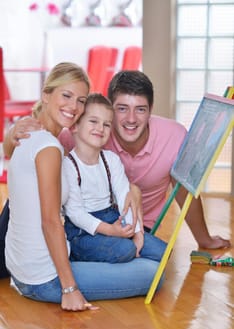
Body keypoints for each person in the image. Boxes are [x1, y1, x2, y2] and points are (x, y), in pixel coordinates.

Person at [3, 71, 230, 249]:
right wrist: (13, 133)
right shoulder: (90, 133)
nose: (131, 119)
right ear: (110, 110)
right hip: (86, 225)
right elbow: (34, 152)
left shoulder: (174, 136)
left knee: (155, 257)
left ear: (150, 110)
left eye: (140, 109)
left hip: (134, 225)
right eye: (122, 109)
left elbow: (185, 189)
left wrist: (204, 239)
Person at [4, 63, 164, 312]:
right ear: (46, 94)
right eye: (66, 96)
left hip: (23, 267)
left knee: (154, 255)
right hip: (43, 278)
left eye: (80, 100)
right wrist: (70, 290)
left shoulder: (29, 136)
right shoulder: (49, 148)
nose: (73, 107)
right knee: (154, 273)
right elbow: (50, 222)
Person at [63, 92, 167, 263]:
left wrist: (138, 232)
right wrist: (112, 231)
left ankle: (126, 260)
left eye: (106, 124)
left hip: (112, 218)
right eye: (93, 121)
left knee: (162, 251)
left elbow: (125, 197)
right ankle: (81, 256)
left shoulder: (111, 159)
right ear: (75, 126)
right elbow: (76, 214)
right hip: (82, 231)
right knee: (125, 249)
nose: (100, 128)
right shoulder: (68, 165)